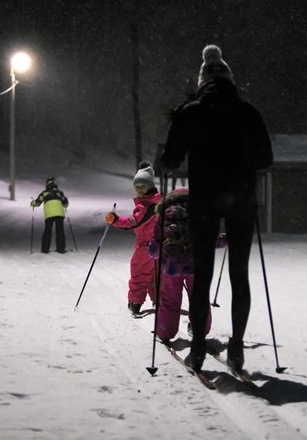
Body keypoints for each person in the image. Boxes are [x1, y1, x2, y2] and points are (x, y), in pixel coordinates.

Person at [160, 44, 273, 371]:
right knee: (240, 274)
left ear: (201, 81)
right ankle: (236, 348)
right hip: (242, 199)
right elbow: (266, 160)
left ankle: (197, 350)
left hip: (204, 201)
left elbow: (170, 161)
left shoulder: (190, 111)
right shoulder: (248, 112)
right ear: (229, 80)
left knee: (203, 274)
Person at [148, 187, 224, 341]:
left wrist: (154, 252)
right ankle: (199, 328)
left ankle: (165, 331)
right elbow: (210, 240)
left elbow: (155, 246)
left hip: (170, 267)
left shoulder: (163, 217)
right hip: (196, 265)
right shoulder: (200, 216)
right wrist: (226, 239)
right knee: (198, 298)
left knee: (170, 300)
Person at [106, 161, 162, 317]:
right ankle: (160, 300)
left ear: (150, 186)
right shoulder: (158, 202)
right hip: (159, 246)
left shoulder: (146, 206)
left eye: (143, 186)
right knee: (156, 275)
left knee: (140, 273)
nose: (139, 189)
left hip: (145, 247)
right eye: (137, 186)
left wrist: (115, 220)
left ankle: (135, 302)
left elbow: (134, 222)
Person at [30, 177, 69, 254]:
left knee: (48, 231)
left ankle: (45, 249)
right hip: (60, 214)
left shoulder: (44, 193)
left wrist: (32, 203)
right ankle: (61, 248)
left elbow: (38, 202)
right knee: (60, 231)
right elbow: (66, 203)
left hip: (49, 214)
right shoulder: (60, 193)